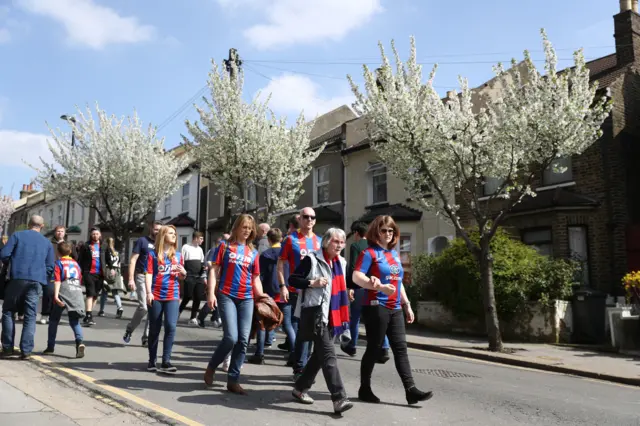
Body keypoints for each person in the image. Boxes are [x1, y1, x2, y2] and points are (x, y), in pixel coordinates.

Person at [352, 215, 433, 406]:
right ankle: (365, 388)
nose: (388, 234)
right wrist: (377, 287)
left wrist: (407, 304)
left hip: (395, 308)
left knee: (400, 349)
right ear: (376, 232)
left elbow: (398, 284)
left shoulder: (394, 255)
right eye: (383, 230)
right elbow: (356, 276)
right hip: (376, 307)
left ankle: (410, 390)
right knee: (374, 348)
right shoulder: (369, 253)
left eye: (391, 230)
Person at [289, 227, 353, 415]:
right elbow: (293, 279)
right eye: (336, 241)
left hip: (336, 315)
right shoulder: (312, 259)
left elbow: (344, 282)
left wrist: (349, 289)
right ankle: (339, 397)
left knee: (319, 356)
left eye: (342, 242)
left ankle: (300, 388)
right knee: (328, 356)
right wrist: (312, 283)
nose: (339, 245)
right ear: (326, 242)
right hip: (319, 315)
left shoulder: (341, 262)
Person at [203, 214, 265, 395]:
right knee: (231, 337)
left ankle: (233, 380)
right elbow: (214, 271)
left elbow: (255, 278)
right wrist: (210, 294)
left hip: (246, 298)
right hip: (227, 295)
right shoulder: (224, 247)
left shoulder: (253, 252)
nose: (247, 231)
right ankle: (212, 366)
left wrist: (262, 297)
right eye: (244, 227)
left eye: (250, 228)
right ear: (237, 227)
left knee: (244, 340)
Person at [0, 215, 54, 359]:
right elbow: (50, 267)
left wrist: (12, 263)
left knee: (8, 311)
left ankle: (7, 348)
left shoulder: (17, 235)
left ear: (28, 224)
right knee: (30, 315)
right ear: (41, 226)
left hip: (17, 277)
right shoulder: (47, 243)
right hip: (36, 280)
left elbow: (4, 254)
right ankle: (26, 350)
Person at [278, 207, 321, 378]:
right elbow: (280, 264)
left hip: (315, 292)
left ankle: (301, 363)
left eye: (312, 217)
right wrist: (282, 286)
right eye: (306, 217)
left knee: (311, 330)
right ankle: (299, 368)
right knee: (302, 329)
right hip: (296, 291)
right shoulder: (290, 240)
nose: (309, 220)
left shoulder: (320, 241)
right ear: (300, 219)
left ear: (315, 221)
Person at [342, 221, 391, 362]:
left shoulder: (356, 246)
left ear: (357, 233)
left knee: (355, 318)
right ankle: (385, 348)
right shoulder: (375, 246)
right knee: (378, 318)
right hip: (376, 286)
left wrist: (350, 287)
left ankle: (352, 345)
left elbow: (353, 268)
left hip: (361, 286)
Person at [146, 225, 186, 373]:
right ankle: (152, 360)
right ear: (163, 236)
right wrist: (148, 293)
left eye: (175, 233)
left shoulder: (178, 255)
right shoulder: (153, 254)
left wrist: (184, 273)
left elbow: (181, 276)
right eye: (170, 233)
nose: (174, 235)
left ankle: (166, 361)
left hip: (173, 295)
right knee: (155, 328)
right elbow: (149, 273)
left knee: (171, 326)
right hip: (156, 294)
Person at [42, 242, 86, 358]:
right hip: (76, 290)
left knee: (54, 319)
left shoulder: (59, 263)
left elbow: (57, 280)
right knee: (74, 320)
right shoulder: (76, 264)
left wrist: (56, 295)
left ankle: (50, 346)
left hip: (64, 291)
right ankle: (79, 342)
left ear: (58, 252)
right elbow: (79, 279)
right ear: (70, 252)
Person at [248, 228, 285, 364]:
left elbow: (260, 275)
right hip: (283, 290)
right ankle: (294, 353)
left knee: (262, 322)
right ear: (281, 239)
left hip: (268, 291)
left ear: (269, 240)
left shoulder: (265, 255)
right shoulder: (285, 253)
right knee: (287, 323)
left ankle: (260, 352)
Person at [123, 221, 161, 346]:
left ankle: (146, 337)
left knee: (152, 307)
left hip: (156, 278)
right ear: (151, 229)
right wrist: (130, 279)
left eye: (160, 230)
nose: (157, 232)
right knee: (144, 307)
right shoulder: (142, 241)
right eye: (156, 229)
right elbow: (133, 260)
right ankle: (130, 329)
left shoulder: (161, 244)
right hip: (141, 275)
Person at [40, 225, 73, 325]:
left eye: (62, 231)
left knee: (60, 294)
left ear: (64, 233)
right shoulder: (49, 243)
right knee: (49, 292)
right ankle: (45, 314)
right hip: (52, 271)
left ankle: (53, 315)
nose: (60, 233)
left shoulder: (68, 244)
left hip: (64, 272)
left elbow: (74, 257)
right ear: (55, 232)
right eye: (58, 231)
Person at [78, 228, 104, 326]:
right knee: (90, 293)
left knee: (96, 295)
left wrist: (111, 269)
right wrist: (80, 271)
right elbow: (80, 259)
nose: (95, 236)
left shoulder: (103, 246)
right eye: (93, 234)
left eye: (97, 234)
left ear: (100, 235)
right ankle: (89, 315)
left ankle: (87, 314)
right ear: (91, 235)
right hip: (88, 273)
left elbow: (107, 259)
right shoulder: (86, 246)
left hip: (100, 274)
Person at [179, 231, 205, 325]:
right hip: (189, 275)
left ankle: (193, 317)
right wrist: (183, 273)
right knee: (188, 296)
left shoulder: (200, 249)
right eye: (201, 238)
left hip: (198, 276)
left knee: (198, 297)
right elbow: (181, 261)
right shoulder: (186, 247)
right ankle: (178, 312)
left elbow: (201, 262)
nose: (202, 240)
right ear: (196, 238)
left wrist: (203, 269)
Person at [98, 237, 126, 318]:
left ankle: (102, 310)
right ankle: (120, 307)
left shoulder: (106, 251)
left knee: (104, 291)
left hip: (108, 269)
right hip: (117, 270)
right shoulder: (117, 252)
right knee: (115, 291)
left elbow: (105, 261)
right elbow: (120, 263)